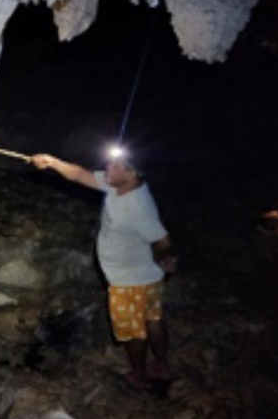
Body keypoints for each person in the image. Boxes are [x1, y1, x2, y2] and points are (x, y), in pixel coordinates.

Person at [30, 150, 177, 391]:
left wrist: (165, 259)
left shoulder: (137, 207)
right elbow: (80, 174)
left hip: (130, 282)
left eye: (115, 165)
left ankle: (139, 374)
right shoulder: (117, 184)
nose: (108, 167)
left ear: (130, 173)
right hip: (147, 277)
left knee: (133, 333)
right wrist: (52, 162)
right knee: (153, 320)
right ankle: (161, 365)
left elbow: (163, 240)